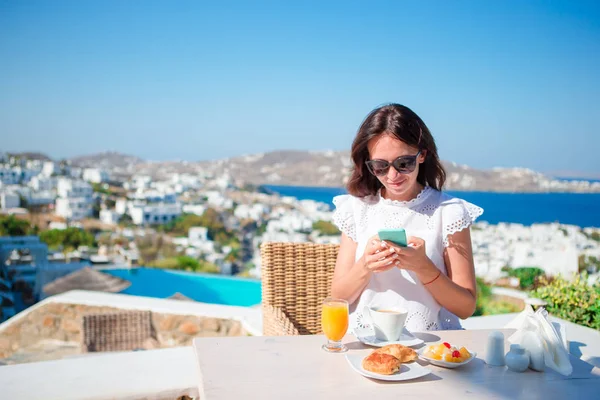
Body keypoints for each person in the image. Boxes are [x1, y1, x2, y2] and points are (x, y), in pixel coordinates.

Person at [331, 103, 483, 332]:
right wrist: (366, 265)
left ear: (422, 155)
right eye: (380, 166)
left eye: (403, 163)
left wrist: (424, 267)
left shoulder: (448, 212)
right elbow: (337, 299)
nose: (392, 175)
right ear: (368, 164)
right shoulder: (356, 209)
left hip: (431, 350)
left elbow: (466, 307)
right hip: (366, 346)